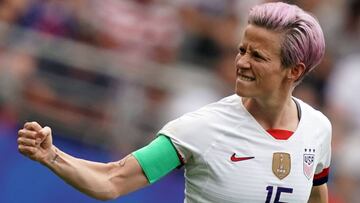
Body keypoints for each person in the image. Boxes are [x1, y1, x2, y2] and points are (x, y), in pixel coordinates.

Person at [17, 2, 331, 202]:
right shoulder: (202, 127)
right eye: (241, 50)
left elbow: (317, 197)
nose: (242, 62)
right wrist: (51, 156)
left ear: (295, 70)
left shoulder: (317, 130)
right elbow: (111, 180)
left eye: (258, 56)